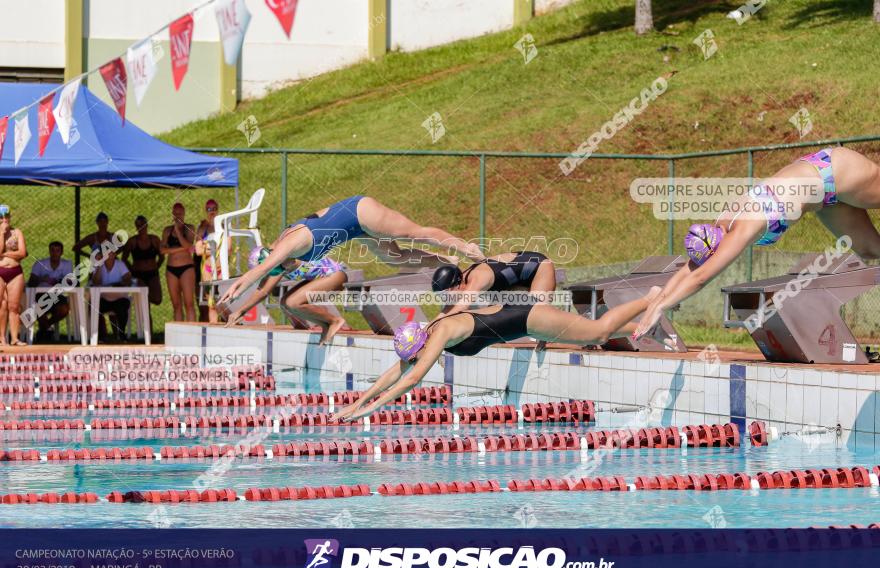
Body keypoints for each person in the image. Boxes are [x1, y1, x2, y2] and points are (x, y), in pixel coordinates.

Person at [633, 147, 880, 340]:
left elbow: (701, 277)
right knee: (870, 249)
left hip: (836, 170)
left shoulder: (742, 227)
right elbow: (692, 268)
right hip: (826, 195)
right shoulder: (720, 225)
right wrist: (658, 298)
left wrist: (662, 307)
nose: (719, 257)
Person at [332, 287, 668, 421]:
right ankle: (644, 326)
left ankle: (653, 298)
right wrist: (356, 402)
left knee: (598, 333)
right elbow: (398, 371)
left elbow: (415, 377)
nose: (415, 360)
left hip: (525, 316)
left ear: (421, 345)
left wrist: (370, 411)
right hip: (520, 322)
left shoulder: (441, 333)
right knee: (592, 336)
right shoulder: (422, 338)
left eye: (416, 355)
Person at [218, 195, 485, 307]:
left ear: (279, 260)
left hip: (361, 213)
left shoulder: (290, 244)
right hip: (357, 229)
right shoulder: (286, 248)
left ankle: (465, 247)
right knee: (396, 257)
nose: (289, 270)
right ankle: (445, 260)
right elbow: (269, 269)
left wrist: (239, 288)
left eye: (284, 269)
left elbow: (263, 270)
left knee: (415, 233)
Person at [222, 248, 348, 344]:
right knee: (285, 303)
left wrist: (240, 311)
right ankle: (326, 324)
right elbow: (261, 288)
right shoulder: (276, 257)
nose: (265, 273)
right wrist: (240, 311)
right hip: (323, 277)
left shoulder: (280, 261)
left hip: (334, 276)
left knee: (293, 302)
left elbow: (263, 291)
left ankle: (334, 320)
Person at [27, 241, 73, 341]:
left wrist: (58, 282)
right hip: (41, 295)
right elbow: (31, 282)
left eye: (57, 250)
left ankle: (45, 328)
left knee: (65, 309)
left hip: (57, 295)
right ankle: (47, 330)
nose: (54, 253)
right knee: (36, 307)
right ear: (49, 251)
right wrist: (41, 279)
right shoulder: (40, 264)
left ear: (62, 252)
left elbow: (70, 282)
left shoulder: (67, 264)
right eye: (52, 250)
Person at [161, 203, 196, 322]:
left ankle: (192, 333)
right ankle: (178, 334)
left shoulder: (189, 228)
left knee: (189, 303)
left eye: (180, 213)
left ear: (184, 214)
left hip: (186, 268)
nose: (177, 216)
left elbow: (188, 245)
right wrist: (182, 249)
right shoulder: (167, 230)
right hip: (171, 269)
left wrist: (178, 231)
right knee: (176, 305)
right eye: (175, 214)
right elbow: (162, 250)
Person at [91, 246, 132, 342]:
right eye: (105, 253)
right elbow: (96, 282)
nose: (108, 255)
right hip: (104, 299)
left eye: (111, 252)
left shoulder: (120, 264)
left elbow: (128, 278)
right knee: (94, 306)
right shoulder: (97, 266)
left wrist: (121, 283)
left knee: (123, 306)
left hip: (120, 298)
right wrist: (100, 265)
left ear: (115, 254)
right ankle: (100, 336)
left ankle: (121, 335)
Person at [0, 205, 27, 345]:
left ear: (10, 217)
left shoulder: (17, 232)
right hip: (0, 271)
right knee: (1, 305)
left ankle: (15, 338)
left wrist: (4, 253)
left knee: (14, 306)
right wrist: (1, 234)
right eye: (1, 217)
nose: (4, 220)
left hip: (15, 273)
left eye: (6, 216)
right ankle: (1, 338)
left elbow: (22, 253)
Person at [194, 199, 219, 322]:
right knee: (211, 304)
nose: (212, 211)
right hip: (208, 269)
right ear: (206, 211)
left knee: (223, 303)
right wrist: (216, 249)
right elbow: (198, 250)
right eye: (209, 209)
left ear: (218, 210)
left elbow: (228, 249)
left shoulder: (223, 226)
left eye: (214, 208)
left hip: (220, 269)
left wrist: (207, 248)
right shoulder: (202, 228)